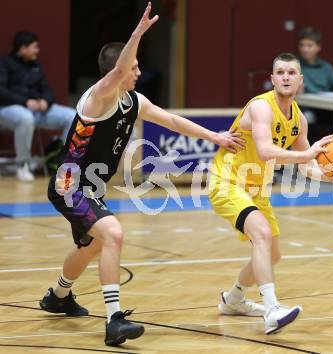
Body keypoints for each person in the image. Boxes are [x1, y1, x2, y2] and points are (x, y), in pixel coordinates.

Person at [39, 2, 244, 346]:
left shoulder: (134, 101)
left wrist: (215, 136)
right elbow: (119, 71)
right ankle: (114, 319)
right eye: (133, 67)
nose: (137, 72)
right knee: (114, 234)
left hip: (92, 186)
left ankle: (58, 296)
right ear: (116, 71)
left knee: (91, 246)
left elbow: (174, 121)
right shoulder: (98, 98)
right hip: (69, 185)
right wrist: (137, 32)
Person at [208, 52, 333, 335]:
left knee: (272, 255)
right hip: (227, 182)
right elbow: (267, 151)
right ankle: (272, 310)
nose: (286, 77)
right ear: (272, 79)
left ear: (300, 80)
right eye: (280, 72)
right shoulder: (261, 107)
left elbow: (307, 166)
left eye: (291, 72)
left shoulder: (299, 121)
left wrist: (332, 175)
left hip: (256, 190)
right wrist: (307, 153)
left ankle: (233, 299)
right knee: (263, 235)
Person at [0, 31, 75, 181]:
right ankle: (23, 165)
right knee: (25, 118)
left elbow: (46, 88)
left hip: (37, 111)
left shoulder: (36, 66)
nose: (37, 50)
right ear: (22, 48)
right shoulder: (5, 64)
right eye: (34, 47)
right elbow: (1, 91)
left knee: (72, 116)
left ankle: (63, 164)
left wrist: (45, 101)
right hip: (9, 110)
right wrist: (25, 102)